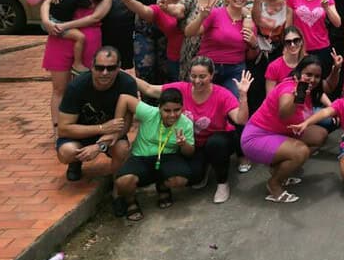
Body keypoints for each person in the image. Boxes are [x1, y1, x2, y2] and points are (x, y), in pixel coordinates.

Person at [135, 59, 251, 204]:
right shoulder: (181, 89)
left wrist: (243, 96)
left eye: (202, 76)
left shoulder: (222, 94)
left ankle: (222, 183)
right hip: (193, 144)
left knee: (215, 144)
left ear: (211, 75)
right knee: (193, 179)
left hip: (220, 140)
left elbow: (241, 120)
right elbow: (149, 89)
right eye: (193, 76)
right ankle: (205, 167)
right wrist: (119, 73)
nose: (197, 81)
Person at [242, 56, 330, 203]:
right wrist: (296, 98)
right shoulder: (289, 88)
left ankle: (278, 169)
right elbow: (284, 114)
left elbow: (330, 87)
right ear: (298, 72)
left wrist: (336, 69)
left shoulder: (308, 88)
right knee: (301, 151)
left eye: (317, 76)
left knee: (319, 135)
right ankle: (274, 184)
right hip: (256, 138)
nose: (312, 79)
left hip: (278, 132)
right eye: (308, 74)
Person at [43, 0, 113, 128]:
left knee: (88, 87)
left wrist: (64, 25)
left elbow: (95, 17)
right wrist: (46, 22)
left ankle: (84, 126)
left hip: (89, 40)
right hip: (59, 39)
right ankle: (58, 128)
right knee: (59, 88)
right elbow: (47, 2)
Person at [55, 47, 132, 192]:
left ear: (119, 67)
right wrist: (102, 128)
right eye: (99, 68)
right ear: (92, 66)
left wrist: (99, 146)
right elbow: (63, 128)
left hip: (111, 136)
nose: (104, 73)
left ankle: (117, 187)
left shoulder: (127, 84)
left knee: (122, 149)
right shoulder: (76, 86)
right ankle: (75, 162)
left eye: (110, 68)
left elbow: (124, 126)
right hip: (80, 135)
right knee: (67, 152)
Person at [113, 87, 195, 220]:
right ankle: (131, 202)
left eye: (177, 110)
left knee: (180, 180)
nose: (172, 115)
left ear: (182, 108)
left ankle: (162, 186)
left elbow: (190, 152)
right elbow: (124, 99)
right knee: (122, 182)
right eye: (167, 110)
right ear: (159, 108)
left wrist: (183, 144)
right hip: (141, 157)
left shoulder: (186, 124)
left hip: (168, 157)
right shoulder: (150, 113)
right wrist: (116, 129)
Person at [184, 0, 256, 98]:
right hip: (208, 67)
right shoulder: (215, 14)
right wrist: (201, 17)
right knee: (203, 100)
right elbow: (189, 33)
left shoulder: (249, 22)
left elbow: (250, 56)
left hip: (235, 69)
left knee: (234, 103)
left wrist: (254, 44)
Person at [117, 0, 186, 83]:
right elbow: (143, 10)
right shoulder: (159, 8)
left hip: (195, 55)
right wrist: (128, 0)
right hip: (175, 56)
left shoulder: (192, 0)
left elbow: (180, 12)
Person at [286, 0, 341, 78]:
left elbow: (338, 23)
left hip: (321, 47)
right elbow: (288, 24)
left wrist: (326, 8)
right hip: (298, 47)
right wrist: (286, 46)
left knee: (320, 81)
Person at [44, 0, 106, 74]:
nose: (92, 1)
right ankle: (77, 64)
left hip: (52, 19)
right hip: (56, 24)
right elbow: (90, 5)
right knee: (80, 37)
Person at [248, 0, 291, 110]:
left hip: (279, 49)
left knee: (278, 88)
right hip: (257, 49)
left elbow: (288, 29)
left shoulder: (287, 1)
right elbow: (257, 20)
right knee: (255, 88)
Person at [129, 0, 173, 84]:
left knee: (164, 68)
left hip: (164, 30)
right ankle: (145, 100)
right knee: (144, 66)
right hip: (143, 30)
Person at [178, 0, 222, 81]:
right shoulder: (189, 1)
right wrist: (167, 7)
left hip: (217, 54)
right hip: (190, 54)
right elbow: (176, 10)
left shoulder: (225, 1)